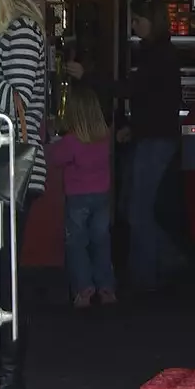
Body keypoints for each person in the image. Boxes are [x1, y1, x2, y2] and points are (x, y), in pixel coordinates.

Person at [0, 0, 48, 389]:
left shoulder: (20, 31)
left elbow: (15, 102)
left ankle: (10, 378)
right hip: (2, 162)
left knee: (4, 270)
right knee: (0, 269)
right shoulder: (19, 29)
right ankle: (4, 375)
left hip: (10, 163)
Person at [121, 0, 187, 292]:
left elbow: (139, 92)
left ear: (152, 21)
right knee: (140, 209)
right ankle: (165, 262)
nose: (134, 25)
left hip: (154, 138)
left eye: (138, 20)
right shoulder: (161, 52)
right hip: (156, 136)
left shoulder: (157, 54)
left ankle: (148, 276)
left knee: (138, 211)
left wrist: (89, 79)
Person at [48, 86, 116, 307]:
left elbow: (55, 158)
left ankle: (84, 289)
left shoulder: (71, 141)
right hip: (102, 196)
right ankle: (106, 288)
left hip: (78, 198)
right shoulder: (104, 137)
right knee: (101, 241)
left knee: (77, 243)